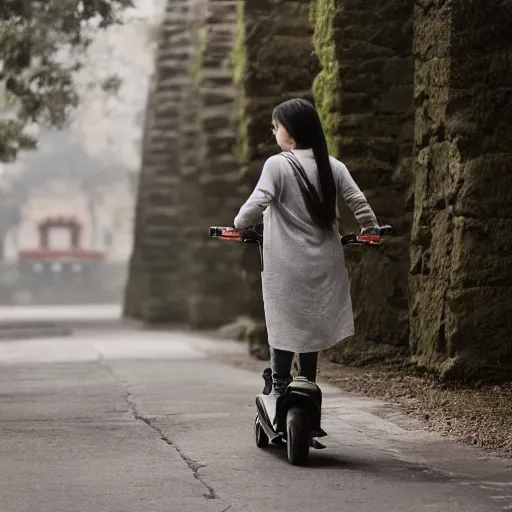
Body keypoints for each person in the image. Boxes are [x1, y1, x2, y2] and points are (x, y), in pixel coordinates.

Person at [233, 98, 380, 396]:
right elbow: (358, 202)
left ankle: (279, 384)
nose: (275, 132)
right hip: (325, 264)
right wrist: (371, 229)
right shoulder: (332, 165)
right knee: (312, 326)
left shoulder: (277, 165)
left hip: (286, 263)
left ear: (291, 131)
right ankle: (308, 385)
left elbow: (257, 203)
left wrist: (238, 223)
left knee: (283, 323)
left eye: (277, 127)